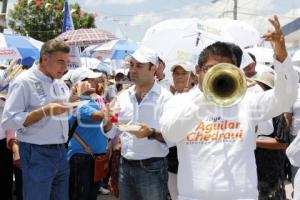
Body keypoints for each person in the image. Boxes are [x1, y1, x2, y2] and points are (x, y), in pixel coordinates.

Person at [159, 16, 298, 200]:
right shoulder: (179, 102)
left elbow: (285, 97)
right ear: (198, 70)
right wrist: (208, 98)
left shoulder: (247, 102)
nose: (218, 74)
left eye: (225, 69)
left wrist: (281, 56)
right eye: (211, 69)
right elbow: (170, 134)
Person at [1, 39, 76, 200]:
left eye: (67, 62)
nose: (65, 67)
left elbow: (64, 113)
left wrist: (74, 99)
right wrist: (43, 111)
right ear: (44, 58)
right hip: (37, 152)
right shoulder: (24, 82)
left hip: (60, 151)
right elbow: (8, 121)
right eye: (60, 62)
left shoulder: (60, 83)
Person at [104, 47, 172, 200]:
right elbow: (112, 131)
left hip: (152, 170)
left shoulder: (166, 98)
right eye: (132, 65)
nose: (133, 70)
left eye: (139, 66)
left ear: (153, 68)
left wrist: (151, 133)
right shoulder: (123, 97)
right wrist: (107, 120)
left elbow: (172, 137)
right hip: (125, 167)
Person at [68, 67, 111, 200]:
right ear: (77, 84)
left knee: (90, 195)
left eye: (93, 79)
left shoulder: (95, 100)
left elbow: (109, 118)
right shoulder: (76, 103)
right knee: (80, 196)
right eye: (88, 80)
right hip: (81, 157)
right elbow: (100, 115)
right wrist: (113, 109)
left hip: (94, 156)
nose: (93, 82)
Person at [254, 72, 288, 199]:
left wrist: (254, 142)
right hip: (255, 167)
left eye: (259, 87)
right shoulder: (254, 109)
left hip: (271, 168)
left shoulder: (276, 111)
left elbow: (283, 143)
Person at [167, 61, 196, 200]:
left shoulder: (199, 99)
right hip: (172, 160)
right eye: (176, 73)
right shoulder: (169, 99)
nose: (179, 77)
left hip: (193, 161)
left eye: (184, 73)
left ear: (193, 77)